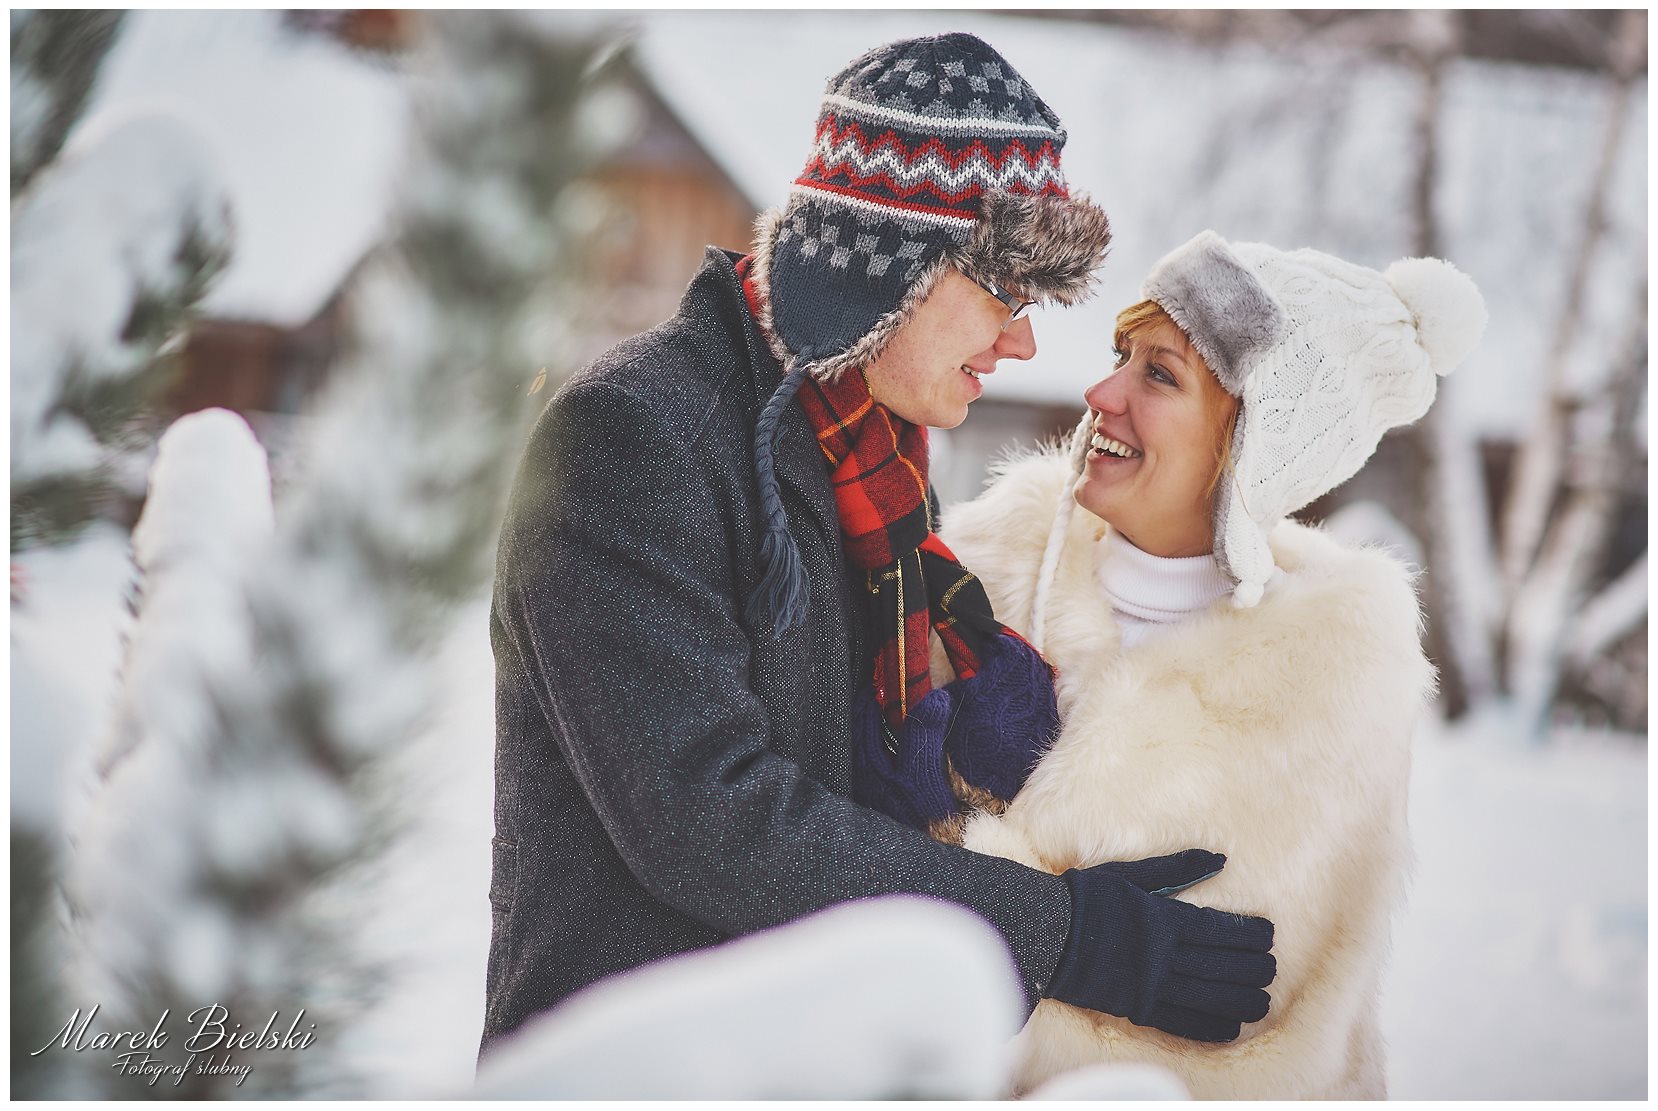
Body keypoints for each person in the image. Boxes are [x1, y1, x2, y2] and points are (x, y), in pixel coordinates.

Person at [480, 36, 1277, 1062]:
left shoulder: (871, 466)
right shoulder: (636, 440)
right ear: (880, 268)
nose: (1022, 342)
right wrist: (1057, 932)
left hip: (804, 1057)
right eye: (1002, 291)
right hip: (639, 1067)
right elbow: (709, 820)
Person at [931, 230, 1488, 1097]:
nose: (1101, 391)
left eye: (1160, 375)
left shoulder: (1327, 686)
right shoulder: (979, 569)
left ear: (1251, 445)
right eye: (1123, 354)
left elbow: (1265, 1019)